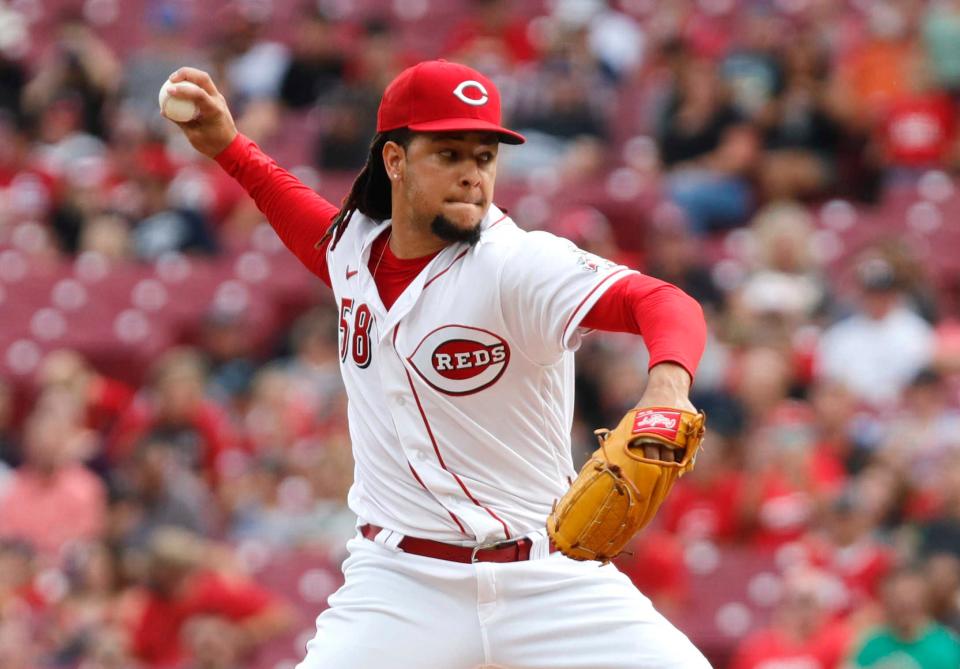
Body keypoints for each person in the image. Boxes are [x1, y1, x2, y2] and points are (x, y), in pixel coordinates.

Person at [164, 58, 709, 668]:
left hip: (546, 577)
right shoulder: (354, 252)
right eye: (449, 155)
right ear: (394, 161)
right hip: (400, 584)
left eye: (484, 157)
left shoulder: (518, 266)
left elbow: (661, 300)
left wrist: (667, 386)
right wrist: (229, 148)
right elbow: (303, 219)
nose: (472, 175)